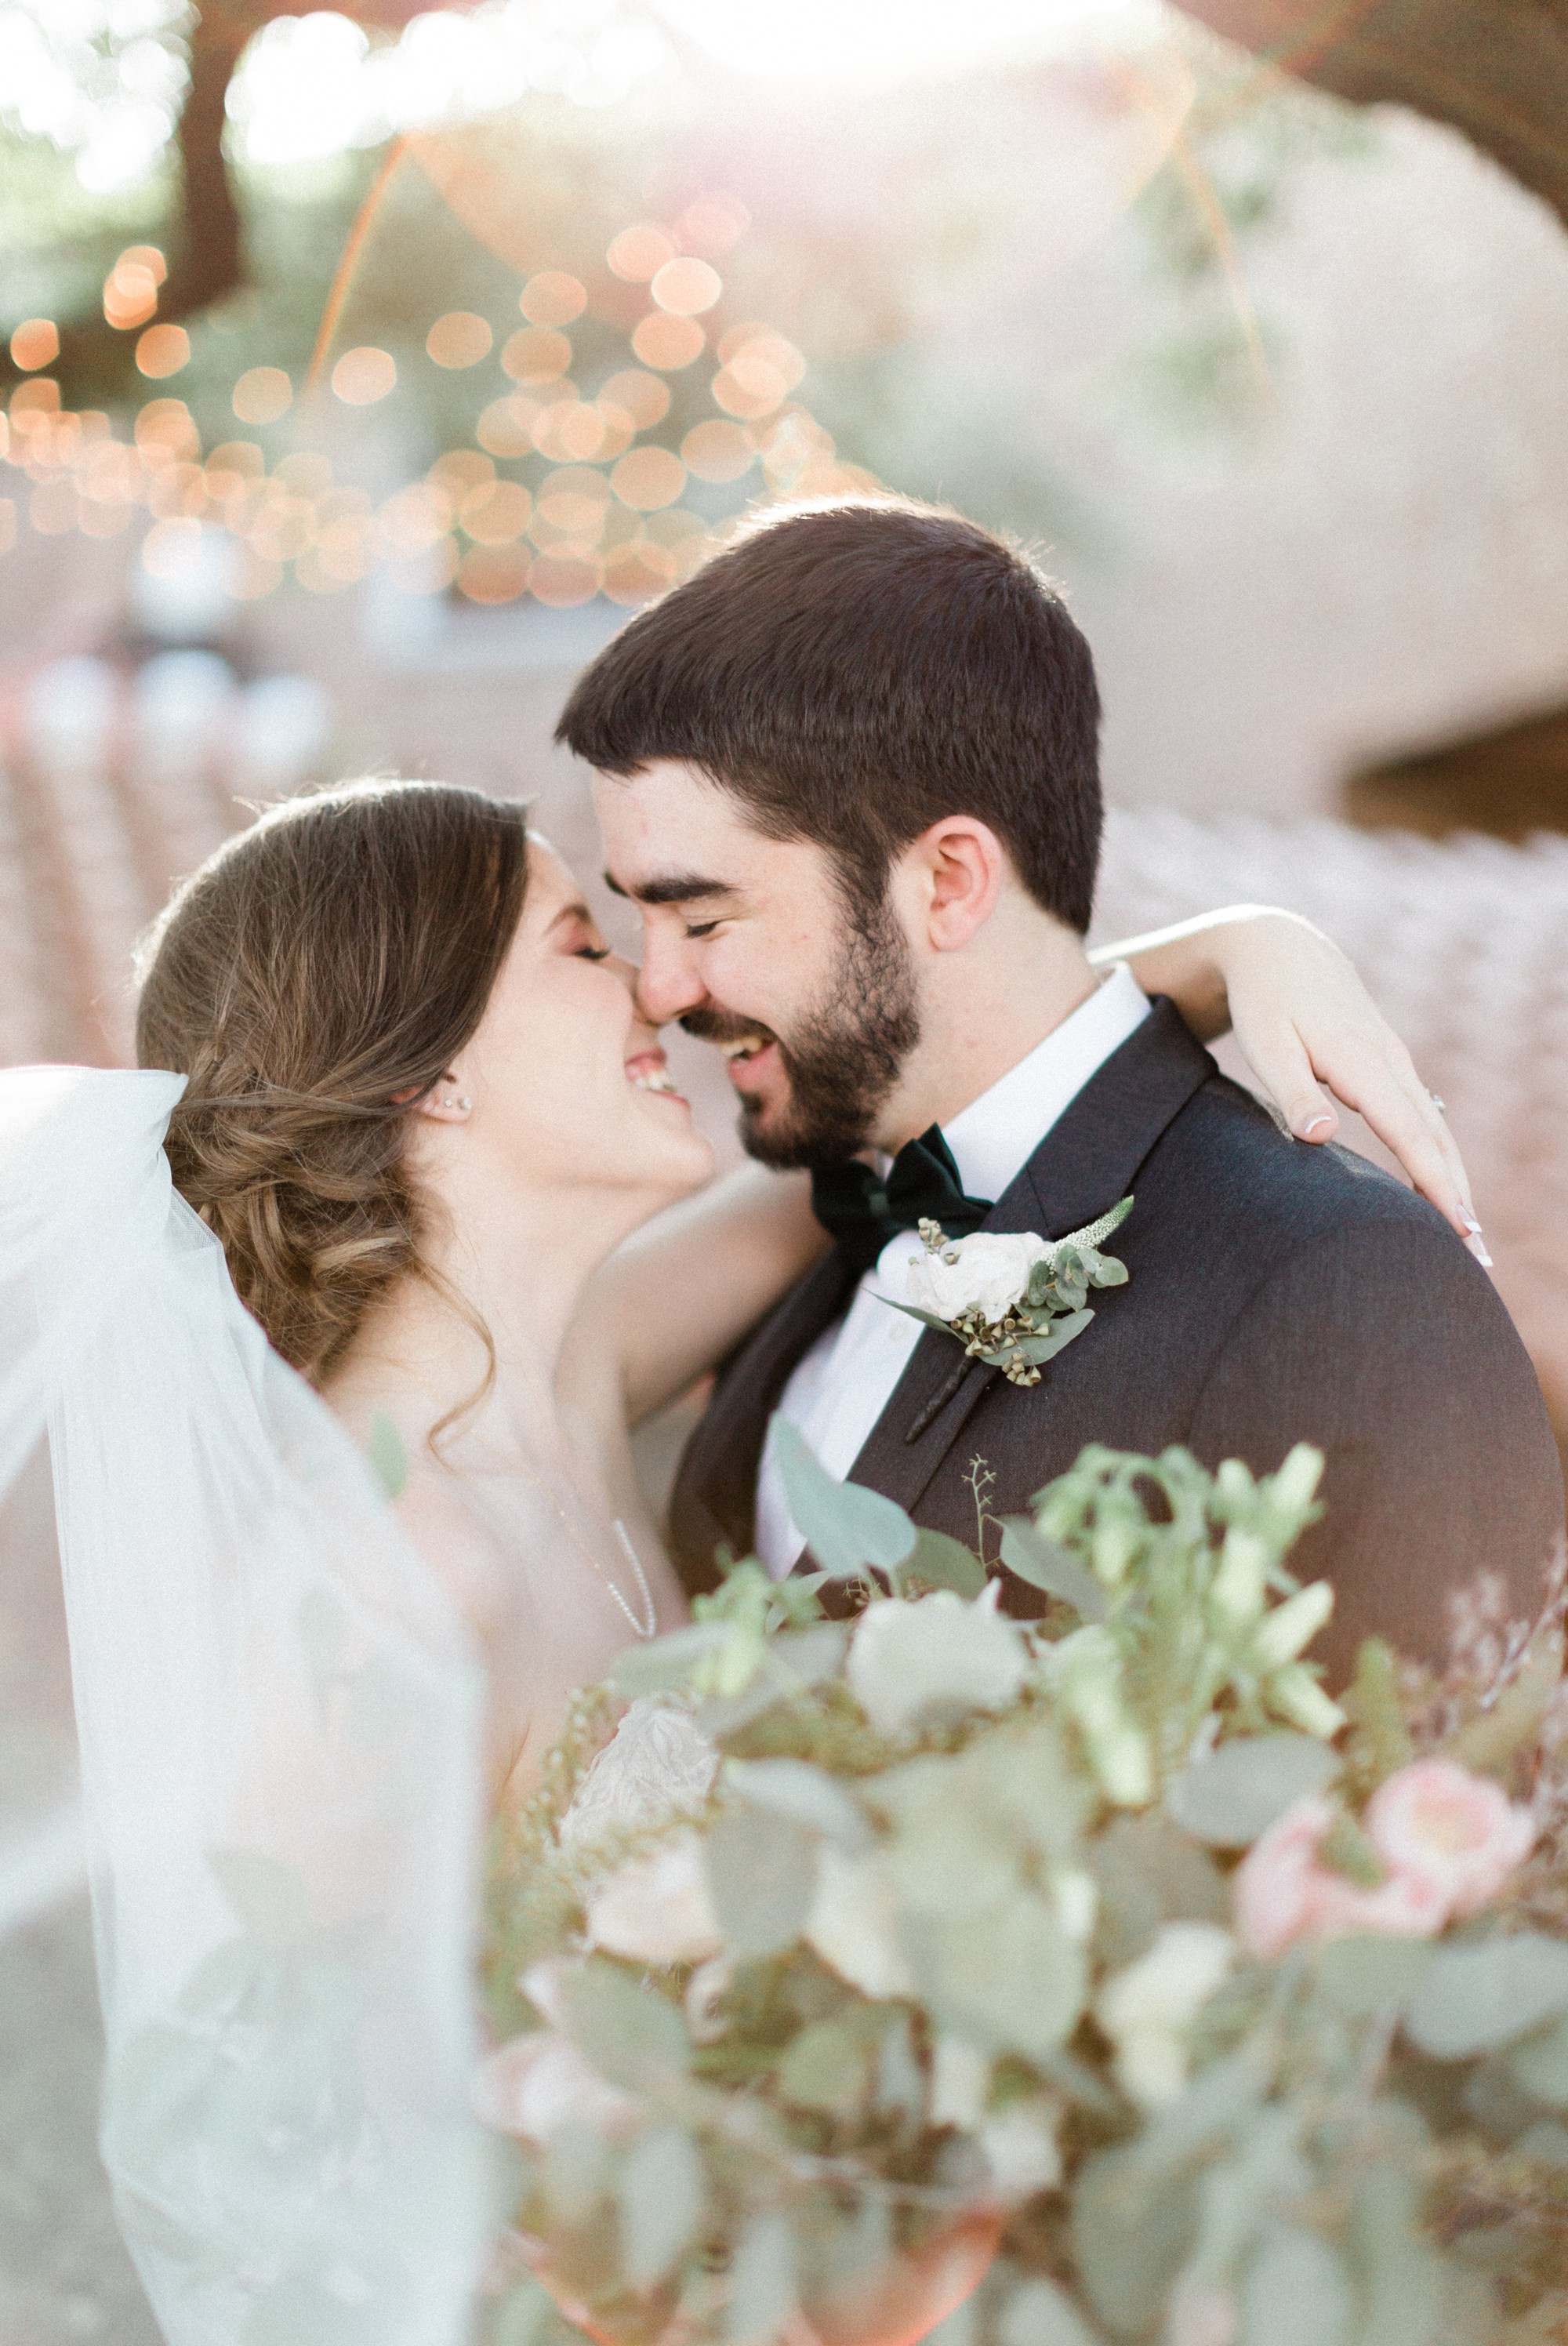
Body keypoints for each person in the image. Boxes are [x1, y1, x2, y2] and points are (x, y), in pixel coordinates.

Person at [2, 775, 1505, 2342]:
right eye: (583, 943)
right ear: (432, 1075)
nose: (663, 986)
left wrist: (1230, 949)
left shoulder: (571, 1373)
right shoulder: (370, 1580)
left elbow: (908, 1146)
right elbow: (300, 2171)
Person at [558, 497, 1566, 1682]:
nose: (660, 987)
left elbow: (1458, 1814)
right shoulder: (824, 1227)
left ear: (947, 882)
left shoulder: (1344, 1282)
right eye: (635, 918)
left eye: (704, 914)